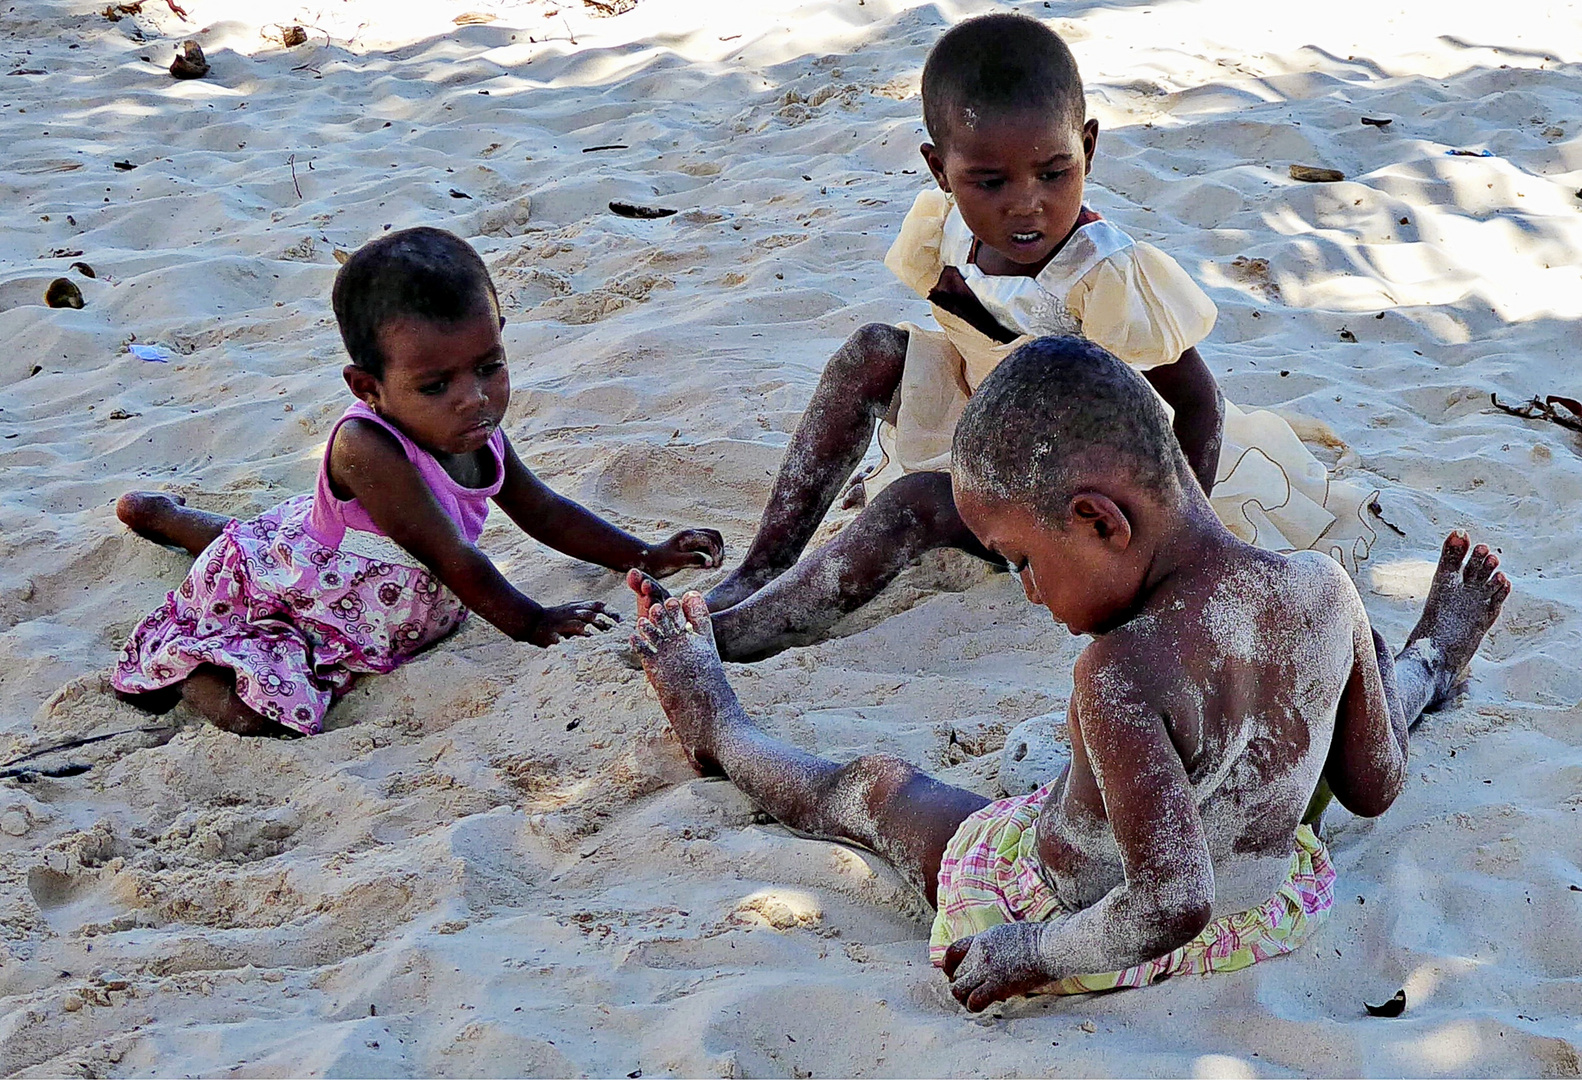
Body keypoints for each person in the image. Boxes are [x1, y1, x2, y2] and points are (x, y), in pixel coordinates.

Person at [626, 337, 1508, 1011]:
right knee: (1282, 748)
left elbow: (1170, 904)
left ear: (1099, 521)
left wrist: (1030, 953)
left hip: (1095, 922)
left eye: (1022, 560)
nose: (1030, 590)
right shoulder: (1326, 589)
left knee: (873, 790)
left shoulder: (1120, 676)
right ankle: (1427, 662)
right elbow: (1373, 783)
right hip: (1270, 907)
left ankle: (720, 728)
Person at [694, 13, 1374, 662]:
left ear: (1089, 147)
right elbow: (984, 337)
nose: (1027, 203)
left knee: (912, 504)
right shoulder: (945, 227)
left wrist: (1168, 556)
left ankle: (745, 634)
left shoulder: (1099, 272)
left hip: (1068, 478)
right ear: (939, 171)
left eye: (1054, 172)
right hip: (982, 414)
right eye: (989, 182)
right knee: (872, 349)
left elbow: (1196, 403)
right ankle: (763, 567)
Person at [111, 227, 723, 737]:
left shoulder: (472, 428)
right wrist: (535, 623)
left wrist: (644, 554)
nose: (474, 399)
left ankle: (165, 515)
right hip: (321, 595)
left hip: (361, 565)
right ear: (367, 388)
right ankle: (180, 612)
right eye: (436, 386)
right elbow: (453, 558)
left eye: (490, 367)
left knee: (259, 540)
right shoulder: (367, 447)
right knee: (263, 696)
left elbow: (544, 509)